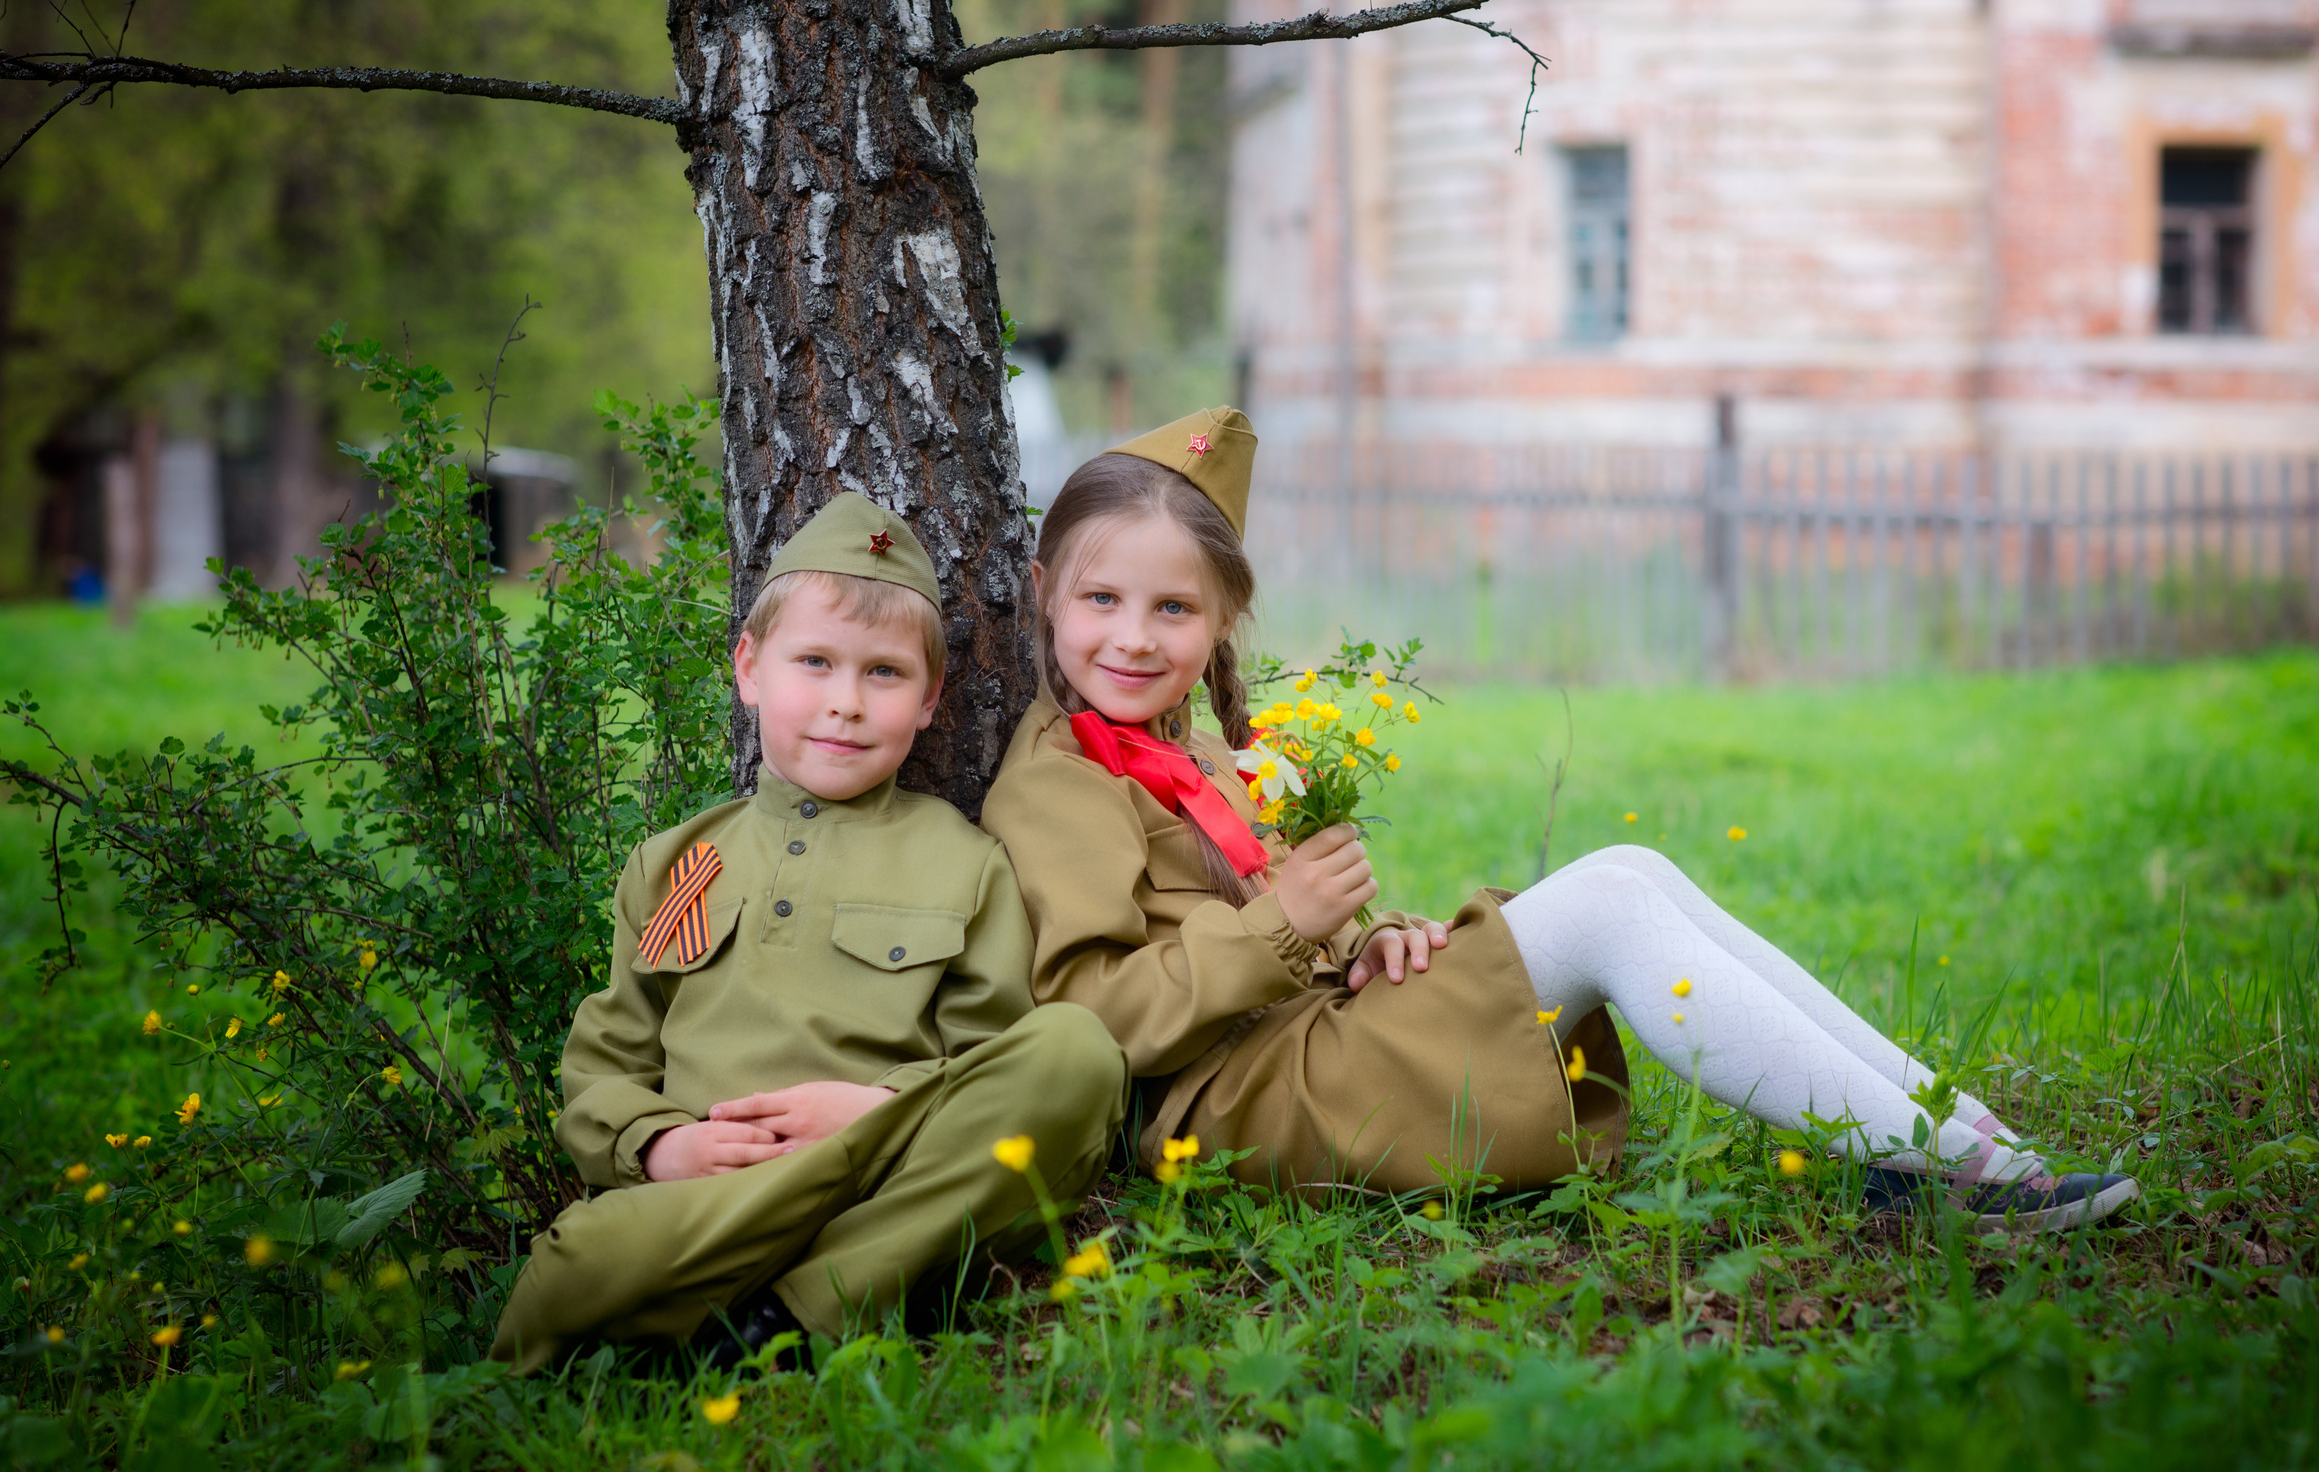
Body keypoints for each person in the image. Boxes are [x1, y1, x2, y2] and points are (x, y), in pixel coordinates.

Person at [978, 409, 2138, 1232]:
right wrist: (1284, 924)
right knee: (1610, 904)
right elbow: (1086, 1024)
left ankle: (1957, 1135)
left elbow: (1278, 931)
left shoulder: (1197, 745)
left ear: (1224, 616)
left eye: (1173, 605)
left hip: (1305, 1038)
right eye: (1100, 598)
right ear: (1043, 591)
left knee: (1627, 865)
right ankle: (1950, 1160)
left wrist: (1365, 939)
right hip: (1233, 1108)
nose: (1133, 635)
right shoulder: (1058, 782)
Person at [490, 492, 1128, 1372]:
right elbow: (604, 1068)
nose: (846, 703)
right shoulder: (679, 862)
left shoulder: (966, 861)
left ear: (931, 696)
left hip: (885, 1181)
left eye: (883, 673)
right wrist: (663, 1145)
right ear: (750, 666)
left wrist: (875, 1112)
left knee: (1074, 1052)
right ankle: (863, 1290)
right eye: (815, 662)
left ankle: (785, 1321)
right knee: (572, 1266)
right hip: (712, 1204)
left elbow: (991, 1061)